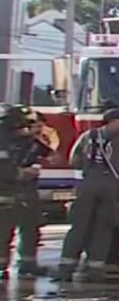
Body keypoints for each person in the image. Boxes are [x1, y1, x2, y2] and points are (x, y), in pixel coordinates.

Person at [55, 107, 119, 282]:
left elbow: (74, 159)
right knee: (104, 226)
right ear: (113, 121)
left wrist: (89, 169)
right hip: (109, 186)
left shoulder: (87, 136)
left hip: (87, 184)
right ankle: (95, 269)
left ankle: (65, 269)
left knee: (79, 226)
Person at [11, 106, 53, 277]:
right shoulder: (6, 141)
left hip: (28, 190)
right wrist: (22, 172)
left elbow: (53, 157)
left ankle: (27, 263)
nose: (35, 129)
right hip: (10, 188)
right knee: (6, 229)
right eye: (33, 125)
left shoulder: (34, 143)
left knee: (30, 228)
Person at [0, 105, 41, 280]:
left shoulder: (16, 141)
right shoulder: (3, 141)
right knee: (2, 232)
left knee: (20, 228)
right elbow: (4, 169)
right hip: (5, 192)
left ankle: (18, 264)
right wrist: (23, 173)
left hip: (12, 194)